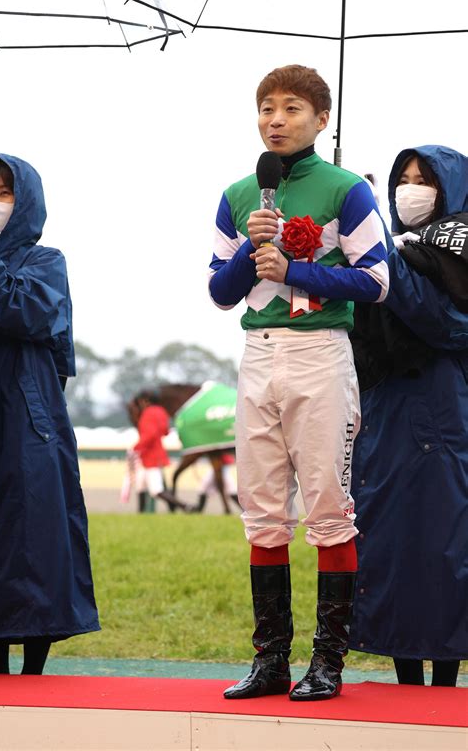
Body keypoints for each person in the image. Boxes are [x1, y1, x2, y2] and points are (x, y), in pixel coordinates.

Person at [208, 65, 389, 701]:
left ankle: (328, 663)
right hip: (257, 353)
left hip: (321, 355)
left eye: (290, 108)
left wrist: (295, 269)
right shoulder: (238, 194)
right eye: (266, 108)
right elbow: (220, 294)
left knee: (328, 509)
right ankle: (270, 661)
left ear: (321, 118)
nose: (275, 120)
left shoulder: (346, 191)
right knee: (261, 510)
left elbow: (376, 281)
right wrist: (244, 255)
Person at [349, 145, 468, 687]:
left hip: (441, 413)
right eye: (404, 178)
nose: (411, 189)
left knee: (444, 545)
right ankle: (405, 682)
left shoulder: (457, 249)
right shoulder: (388, 249)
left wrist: (388, 264)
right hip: (382, 411)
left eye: (426, 180)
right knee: (390, 542)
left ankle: (444, 681)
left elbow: (448, 324)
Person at [0, 153, 100, 675]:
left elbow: (27, 314)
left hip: (28, 416)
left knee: (35, 533)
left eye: (3, 192)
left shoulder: (45, 261)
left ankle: (34, 666)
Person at [129, 390, 190, 513]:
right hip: (157, 452)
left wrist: (136, 447)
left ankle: (185, 506)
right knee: (141, 486)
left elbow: (149, 435)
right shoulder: (162, 412)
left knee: (156, 490)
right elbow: (165, 431)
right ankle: (140, 515)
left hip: (149, 454)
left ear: (145, 401)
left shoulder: (148, 413)